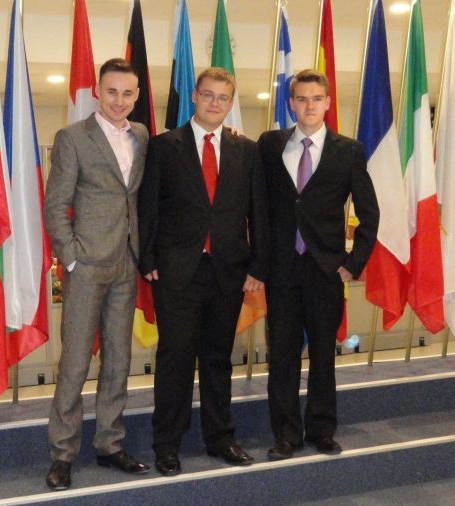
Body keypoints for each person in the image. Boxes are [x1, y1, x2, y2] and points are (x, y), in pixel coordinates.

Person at [137, 67, 269, 476]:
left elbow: (258, 213)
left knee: (217, 359)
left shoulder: (246, 150)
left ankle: (220, 438)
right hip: (176, 273)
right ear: (194, 96)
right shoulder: (163, 147)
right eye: (208, 95)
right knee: (175, 359)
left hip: (228, 272)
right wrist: (147, 258)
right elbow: (148, 206)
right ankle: (167, 444)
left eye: (223, 97)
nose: (215, 103)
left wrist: (258, 265)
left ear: (231, 103)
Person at [257, 69, 378, 459]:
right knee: (283, 354)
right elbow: (257, 203)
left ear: (327, 102)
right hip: (281, 269)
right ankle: (286, 435)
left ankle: (322, 430)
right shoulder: (269, 145)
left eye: (316, 98)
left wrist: (353, 263)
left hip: (326, 269)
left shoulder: (349, 150)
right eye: (302, 99)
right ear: (291, 103)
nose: (309, 105)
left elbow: (370, 213)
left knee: (324, 353)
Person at [42, 58, 151, 491]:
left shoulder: (141, 135)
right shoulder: (72, 137)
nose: (119, 100)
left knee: (119, 361)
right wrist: (71, 258)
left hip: (127, 262)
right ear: (97, 93)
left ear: (136, 95)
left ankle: (109, 443)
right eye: (111, 92)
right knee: (74, 363)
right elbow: (55, 205)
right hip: (86, 265)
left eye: (127, 93)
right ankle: (63, 453)